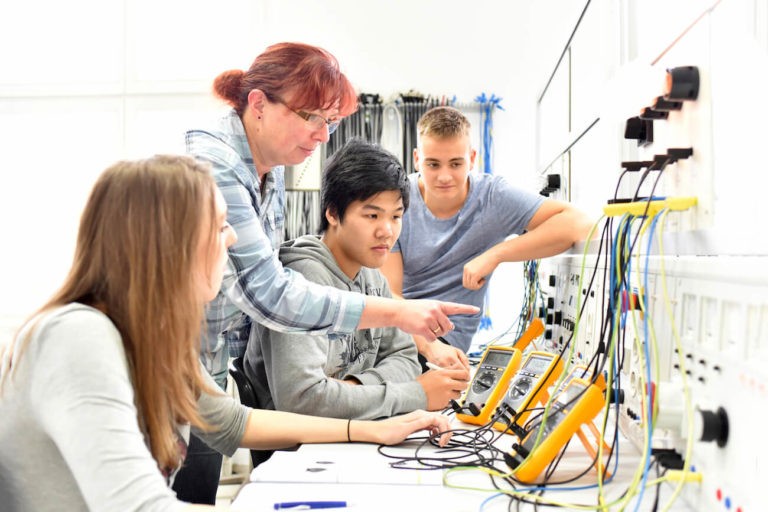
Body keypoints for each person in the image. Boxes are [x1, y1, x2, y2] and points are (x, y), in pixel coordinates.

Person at [0, 155, 453, 512]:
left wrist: (368, 431)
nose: (233, 239)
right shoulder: (79, 337)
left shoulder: (154, 341)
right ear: (167, 241)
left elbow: (235, 423)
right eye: (219, 226)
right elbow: (139, 506)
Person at [179, 43, 476, 502]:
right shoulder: (215, 164)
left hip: (209, 381)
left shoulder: (270, 165)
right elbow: (268, 293)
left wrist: (364, 393)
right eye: (311, 117)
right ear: (258, 105)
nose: (322, 135)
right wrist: (402, 337)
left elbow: (234, 418)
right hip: (178, 373)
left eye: (330, 122)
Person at [244, 139, 470, 421]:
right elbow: (303, 401)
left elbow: (406, 358)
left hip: (360, 432)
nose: (387, 231)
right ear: (332, 213)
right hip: (301, 452)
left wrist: (351, 389)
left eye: (396, 217)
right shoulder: (301, 280)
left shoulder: (372, 274)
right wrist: (415, 394)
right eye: (372, 215)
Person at [381, 106, 593, 370]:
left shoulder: (493, 197)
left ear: (472, 158)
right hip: (402, 333)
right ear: (416, 159)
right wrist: (426, 345)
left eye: (456, 164)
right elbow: (389, 295)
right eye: (432, 164)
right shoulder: (397, 202)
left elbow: (578, 223)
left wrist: (496, 254)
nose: (444, 176)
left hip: (444, 344)